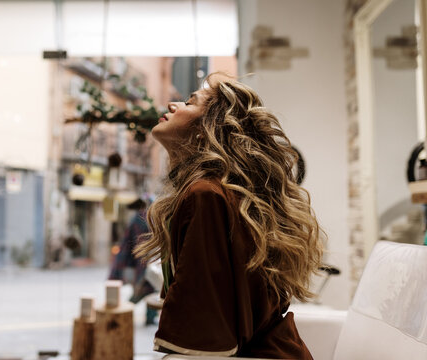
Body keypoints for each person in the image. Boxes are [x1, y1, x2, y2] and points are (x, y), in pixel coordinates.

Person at [134, 73, 324, 359]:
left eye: (189, 102)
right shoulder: (211, 193)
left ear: (207, 127)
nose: (173, 104)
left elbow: (205, 321)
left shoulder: (205, 195)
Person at [108, 198, 157, 325]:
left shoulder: (140, 219)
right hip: (145, 261)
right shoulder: (145, 219)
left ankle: (148, 318)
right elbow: (140, 243)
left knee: (147, 289)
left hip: (144, 261)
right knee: (142, 290)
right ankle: (119, 315)